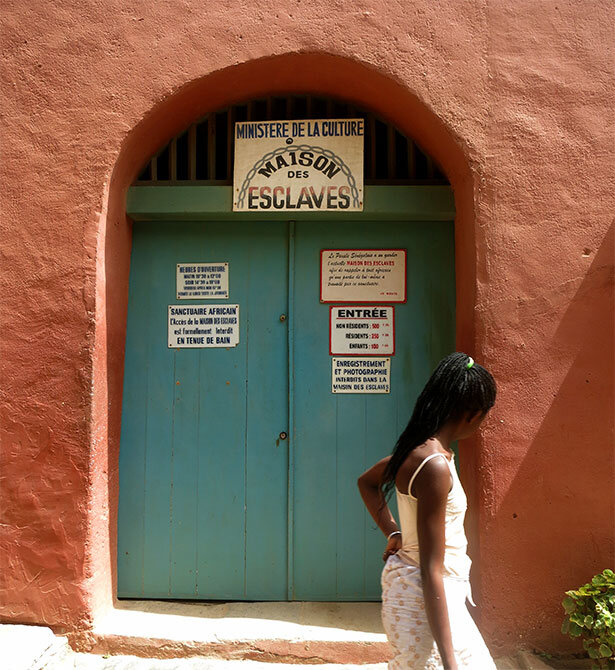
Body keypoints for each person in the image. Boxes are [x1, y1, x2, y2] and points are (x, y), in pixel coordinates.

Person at [357, 352, 497, 670]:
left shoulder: (422, 451)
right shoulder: (434, 466)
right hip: (427, 599)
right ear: (473, 415)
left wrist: (394, 531)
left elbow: (366, 483)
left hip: (421, 591)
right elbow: (431, 571)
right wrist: (450, 661)